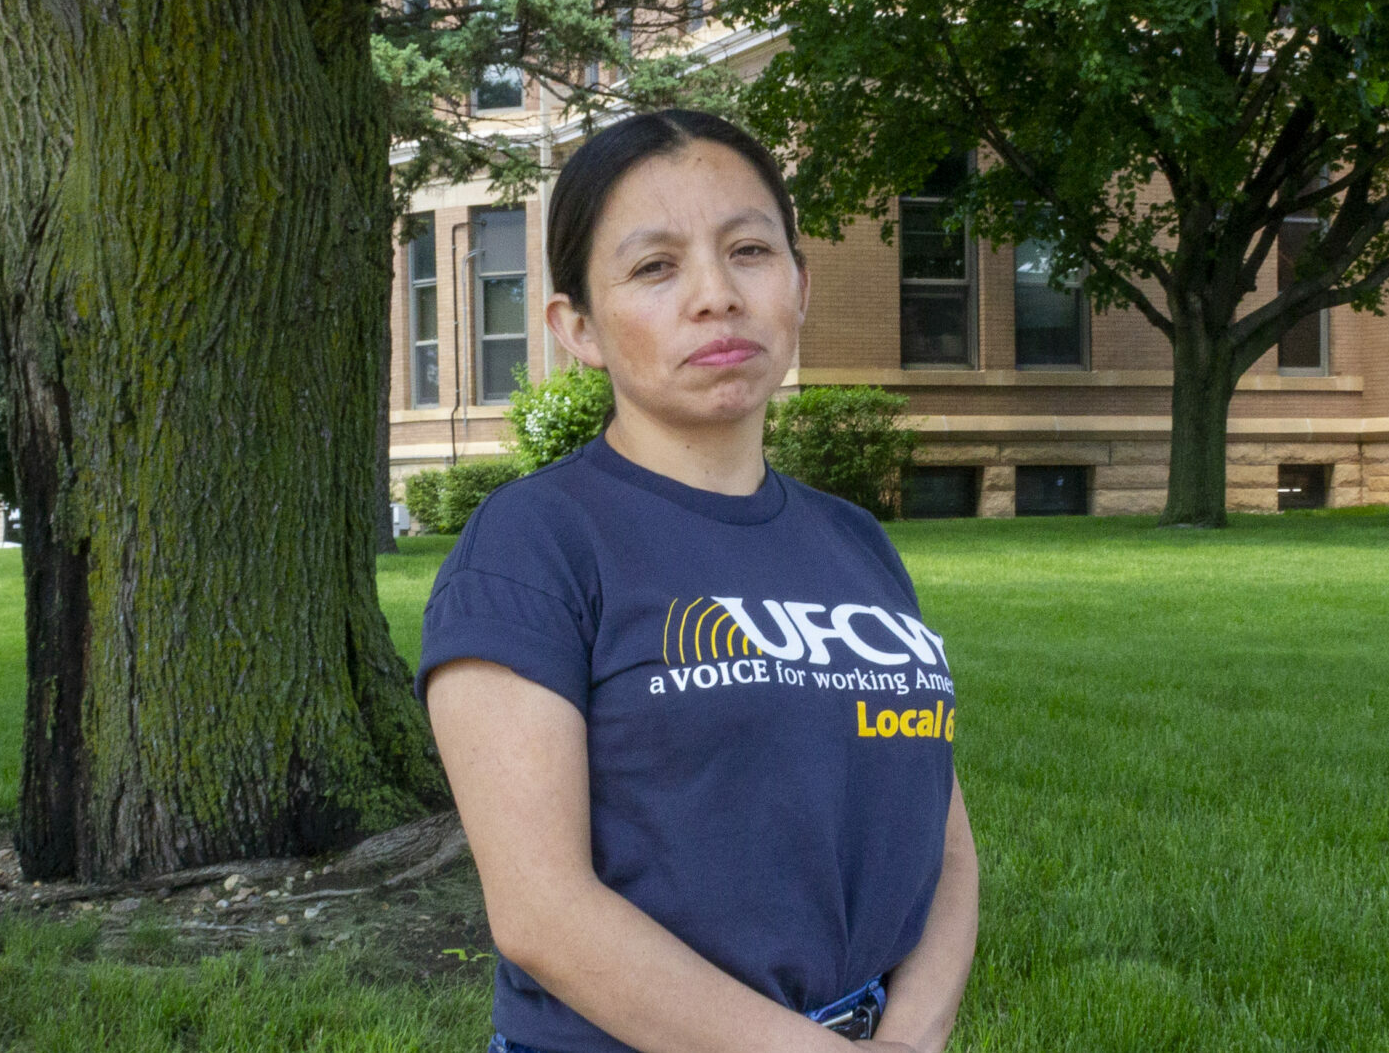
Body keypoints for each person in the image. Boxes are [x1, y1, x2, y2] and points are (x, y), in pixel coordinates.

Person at [416, 109, 979, 1053]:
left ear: (798, 285)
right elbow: (542, 915)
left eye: (749, 250)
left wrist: (915, 1030)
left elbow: (944, 838)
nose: (715, 295)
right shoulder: (533, 543)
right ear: (577, 329)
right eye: (654, 266)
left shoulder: (855, 543)